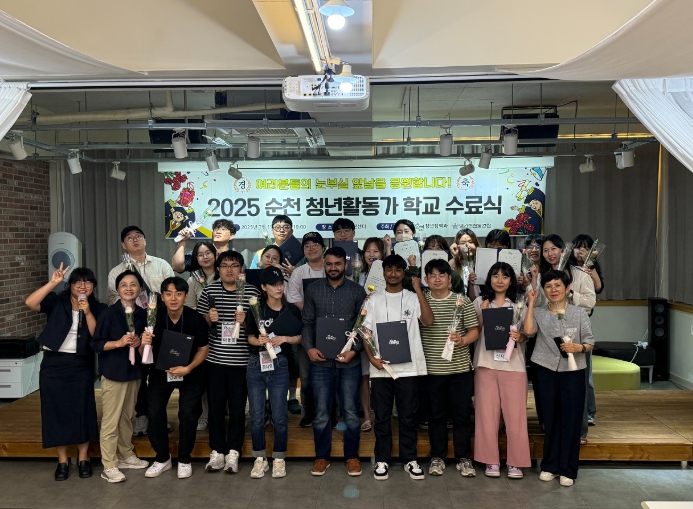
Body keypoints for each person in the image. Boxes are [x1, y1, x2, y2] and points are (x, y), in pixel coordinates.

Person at [26, 264, 106, 481]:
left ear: (93, 286)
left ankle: (83, 458)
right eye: (77, 281)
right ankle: (62, 460)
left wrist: (87, 311)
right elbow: (30, 302)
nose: (82, 285)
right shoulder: (57, 302)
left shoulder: (98, 308)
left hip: (81, 363)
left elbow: (97, 335)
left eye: (87, 282)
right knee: (55, 411)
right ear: (70, 285)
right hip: (54, 363)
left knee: (82, 410)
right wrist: (53, 283)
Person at [362, 255, 434, 481]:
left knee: (408, 416)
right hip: (381, 368)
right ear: (383, 272)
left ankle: (409, 459)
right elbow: (365, 332)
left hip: (409, 369)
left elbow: (428, 321)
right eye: (389, 269)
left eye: (398, 270)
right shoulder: (373, 300)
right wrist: (372, 358)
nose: (393, 274)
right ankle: (382, 459)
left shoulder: (413, 298)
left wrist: (418, 289)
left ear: (404, 272)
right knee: (382, 417)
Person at [302, 246, 367, 477]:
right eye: (329, 264)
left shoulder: (357, 291)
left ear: (345, 265)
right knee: (321, 413)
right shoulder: (313, 289)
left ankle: (352, 456)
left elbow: (362, 326)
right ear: (324, 264)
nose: (333, 268)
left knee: (350, 411)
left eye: (337, 264)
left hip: (348, 362)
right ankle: (322, 457)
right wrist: (309, 348)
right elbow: (307, 323)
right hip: (320, 361)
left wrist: (355, 351)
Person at [106, 225, 175, 437]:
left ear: (145, 240)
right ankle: (142, 415)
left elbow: (172, 292)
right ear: (123, 244)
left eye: (139, 236)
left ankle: (158, 416)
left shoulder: (161, 265)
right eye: (129, 237)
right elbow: (112, 299)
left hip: (160, 326)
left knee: (159, 373)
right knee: (139, 373)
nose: (135, 240)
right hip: (133, 327)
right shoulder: (116, 272)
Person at [196, 251, 261, 474]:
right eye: (225, 265)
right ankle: (217, 451)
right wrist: (208, 318)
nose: (229, 270)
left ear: (242, 269)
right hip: (215, 360)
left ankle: (234, 450)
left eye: (234, 265)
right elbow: (199, 327)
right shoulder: (209, 291)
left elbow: (260, 327)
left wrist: (247, 322)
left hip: (242, 362)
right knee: (215, 408)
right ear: (218, 269)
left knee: (237, 409)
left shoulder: (251, 291)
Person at [140, 277, 209, 479]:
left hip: (190, 372)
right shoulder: (153, 317)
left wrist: (188, 368)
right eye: (168, 294)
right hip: (161, 371)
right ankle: (162, 458)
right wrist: (144, 343)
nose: (173, 298)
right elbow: (143, 353)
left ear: (186, 296)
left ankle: (185, 458)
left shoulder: (195, 319)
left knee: (188, 413)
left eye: (178, 294)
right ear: (162, 297)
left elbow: (203, 349)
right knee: (154, 412)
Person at [530, 270, 594, 487]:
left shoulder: (579, 313)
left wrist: (578, 347)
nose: (553, 290)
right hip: (545, 369)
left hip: (573, 371)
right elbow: (528, 332)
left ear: (567, 289)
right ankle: (549, 465)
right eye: (548, 286)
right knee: (550, 419)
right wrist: (531, 304)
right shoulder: (538, 313)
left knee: (571, 419)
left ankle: (568, 469)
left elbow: (590, 341)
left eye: (558, 286)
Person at [473, 262, 534, 479]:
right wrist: (482, 315)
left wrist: (521, 336)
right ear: (489, 278)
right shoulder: (480, 301)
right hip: (486, 364)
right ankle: (490, 461)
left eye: (505, 276)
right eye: (496, 275)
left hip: (514, 366)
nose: (500, 280)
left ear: (511, 281)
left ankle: (516, 463)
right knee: (486, 416)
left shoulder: (519, 303)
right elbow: (473, 331)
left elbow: (528, 333)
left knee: (515, 417)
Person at [419, 259, 479, 478]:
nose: (437, 279)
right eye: (432, 275)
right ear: (426, 279)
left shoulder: (462, 301)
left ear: (449, 279)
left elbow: (474, 330)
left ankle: (464, 457)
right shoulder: (420, 302)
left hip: (460, 370)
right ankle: (437, 456)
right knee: (436, 416)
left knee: (462, 416)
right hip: (432, 371)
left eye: (441, 275)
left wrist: (463, 340)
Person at [245, 266, 303, 479]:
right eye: (273, 285)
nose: (278, 288)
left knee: (279, 415)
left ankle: (279, 457)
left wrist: (284, 339)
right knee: (257, 415)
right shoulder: (256, 309)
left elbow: (301, 337)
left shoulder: (291, 310)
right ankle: (259, 458)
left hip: (280, 365)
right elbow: (249, 338)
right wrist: (259, 340)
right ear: (263, 287)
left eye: (280, 284)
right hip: (256, 363)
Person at [92, 270, 149, 483]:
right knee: (111, 420)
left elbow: (146, 348)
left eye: (133, 284)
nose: (128, 288)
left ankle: (126, 454)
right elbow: (97, 344)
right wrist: (119, 343)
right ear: (117, 289)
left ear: (140, 289)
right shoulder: (108, 314)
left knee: (129, 417)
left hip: (134, 372)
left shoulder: (143, 314)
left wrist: (140, 343)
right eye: (124, 285)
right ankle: (109, 464)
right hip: (114, 373)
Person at [287, 232, 326, 427]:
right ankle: (308, 412)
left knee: (330, 372)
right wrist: (311, 312)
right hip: (307, 328)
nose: (311, 248)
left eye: (315, 244)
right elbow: (293, 297)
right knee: (306, 374)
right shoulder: (299, 272)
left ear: (323, 248)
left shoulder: (331, 267)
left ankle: (331, 411)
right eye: (307, 245)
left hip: (331, 328)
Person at [570, 234, 604, 436]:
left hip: (583, 321)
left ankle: (590, 412)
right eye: (577, 247)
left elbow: (598, 288)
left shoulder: (590, 268)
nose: (580, 251)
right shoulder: (566, 268)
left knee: (585, 372)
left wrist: (590, 269)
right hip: (565, 320)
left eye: (585, 248)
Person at [183, 241, 217, 432]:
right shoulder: (193, 279)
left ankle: (227, 413)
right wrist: (204, 313)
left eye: (208, 253)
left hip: (227, 333)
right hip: (203, 334)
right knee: (203, 378)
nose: (205, 257)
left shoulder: (224, 273)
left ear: (215, 254)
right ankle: (205, 414)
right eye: (200, 254)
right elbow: (189, 309)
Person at [356, 237, 385, 431]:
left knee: (385, 371)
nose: (371, 254)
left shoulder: (388, 274)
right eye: (368, 250)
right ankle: (367, 416)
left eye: (376, 251)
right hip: (363, 328)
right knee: (364, 375)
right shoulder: (357, 275)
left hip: (384, 327)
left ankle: (386, 413)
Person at [536, 234, 596, 313]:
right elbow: (536, 303)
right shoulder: (540, 276)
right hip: (548, 318)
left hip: (575, 319)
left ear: (563, 251)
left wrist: (571, 294)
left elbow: (591, 302)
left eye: (553, 249)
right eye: (545, 250)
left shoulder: (580, 274)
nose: (550, 253)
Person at [172, 219, 236, 273]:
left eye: (223, 229)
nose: (218, 231)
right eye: (216, 229)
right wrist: (182, 241)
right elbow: (177, 267)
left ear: (231, 236)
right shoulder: (198, 253)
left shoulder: (235, 258)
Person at [449, 228, 480, 299]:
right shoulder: (452, 263)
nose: (467, 246)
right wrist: (455, 257)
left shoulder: (482, 261)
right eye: (463, 243)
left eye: (471, 242)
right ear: (457, 246)